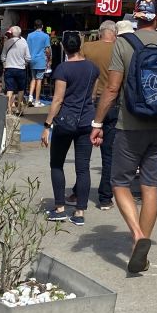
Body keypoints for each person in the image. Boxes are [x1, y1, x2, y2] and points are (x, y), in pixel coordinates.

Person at [90, 0, 157, 273]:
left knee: (119, 183)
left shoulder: (124, 43)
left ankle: (138, 236)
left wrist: (97, 124)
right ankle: (138, 252)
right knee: (150, 186)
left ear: (135, 16)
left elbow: (111, 89)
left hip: (128, 126)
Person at [42, 32, 101, 226]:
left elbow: (58, 99)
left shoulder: (63, 69)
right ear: (80, 46)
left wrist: (47, 125)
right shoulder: (92, 68)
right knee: (82, 168)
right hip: (86, 121)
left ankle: (59, 208)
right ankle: (80, 211)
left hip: (66, 121)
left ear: (65, 48)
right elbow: (93, 95)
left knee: (57, 164)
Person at [74, 20, 118, 210]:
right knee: (109, 153)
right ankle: (105, 197)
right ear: (114, 33)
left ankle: (78, 191)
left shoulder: (88, 48)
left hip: (90, 102)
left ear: (100, 33)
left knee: (84, 152)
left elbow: (78, 71)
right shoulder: (120, 49)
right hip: (114, 103)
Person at [2, 25, 30, 112]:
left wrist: (5, 65)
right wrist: (25, 64)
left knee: (9, 89)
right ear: (20, 33)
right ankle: (19, 109)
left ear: (12, 33)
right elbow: (28, 58)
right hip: (21, 68)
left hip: (9, 68)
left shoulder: (7, 43)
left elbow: (3, 57)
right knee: (21, 89)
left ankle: (9, 109)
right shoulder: (24, 43)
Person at [26, 20, 51, 107]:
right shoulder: (45, 36)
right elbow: (47, 50)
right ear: (42, 26)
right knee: (39, 80)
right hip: (41, 59)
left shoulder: (29, 36)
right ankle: (37, 100)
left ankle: (30, 97)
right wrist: (49, 58)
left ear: (34, 26)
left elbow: (27, 48)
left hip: (31, 59)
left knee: (33, 78)